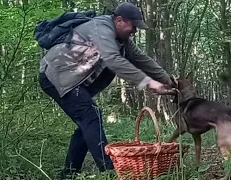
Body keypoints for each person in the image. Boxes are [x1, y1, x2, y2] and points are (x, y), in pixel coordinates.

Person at [38, 2, 173, 179]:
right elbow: (114, 60)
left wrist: (165, 78)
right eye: (133, 27)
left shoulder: (122, 39)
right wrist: (149, 82)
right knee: (91, 116)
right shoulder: (101, 28)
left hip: (71, 81)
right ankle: (109, 172)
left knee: (86, 123)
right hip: (55, 77)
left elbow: (140, 58)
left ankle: (69, 173)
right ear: (119, 20)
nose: (134, 32)